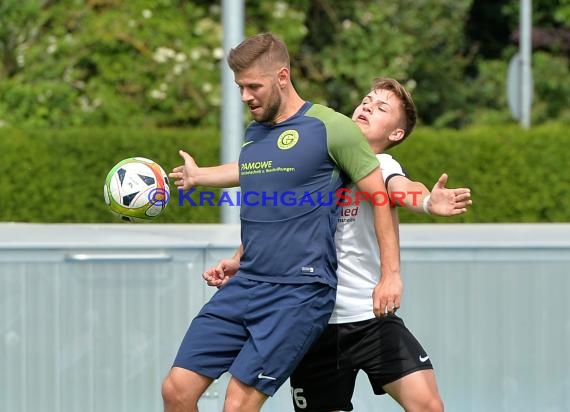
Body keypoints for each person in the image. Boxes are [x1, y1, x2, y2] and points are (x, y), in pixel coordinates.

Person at [188, 77, 472, 411]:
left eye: (381, 107)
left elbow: (400, 188)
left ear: (395, 134)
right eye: (366, 100)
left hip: (369, 317)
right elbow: (274, 207)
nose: (367, 106)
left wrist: (427, 202)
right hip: (311, 321)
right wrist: (241, 257)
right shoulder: (315, 159)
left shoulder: (381, 165)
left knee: (428, 405)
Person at [161, 33, 401, 412]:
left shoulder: (331, 127)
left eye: (253, 86)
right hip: (247, 283)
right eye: (240, 87)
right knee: (176, 389)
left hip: (299, 291)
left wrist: (390, 274)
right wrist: (200, 177)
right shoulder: (256, 133)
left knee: (237, 404)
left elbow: (381, 195)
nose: (245, 97)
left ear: (282, 77)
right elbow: (253, 171)